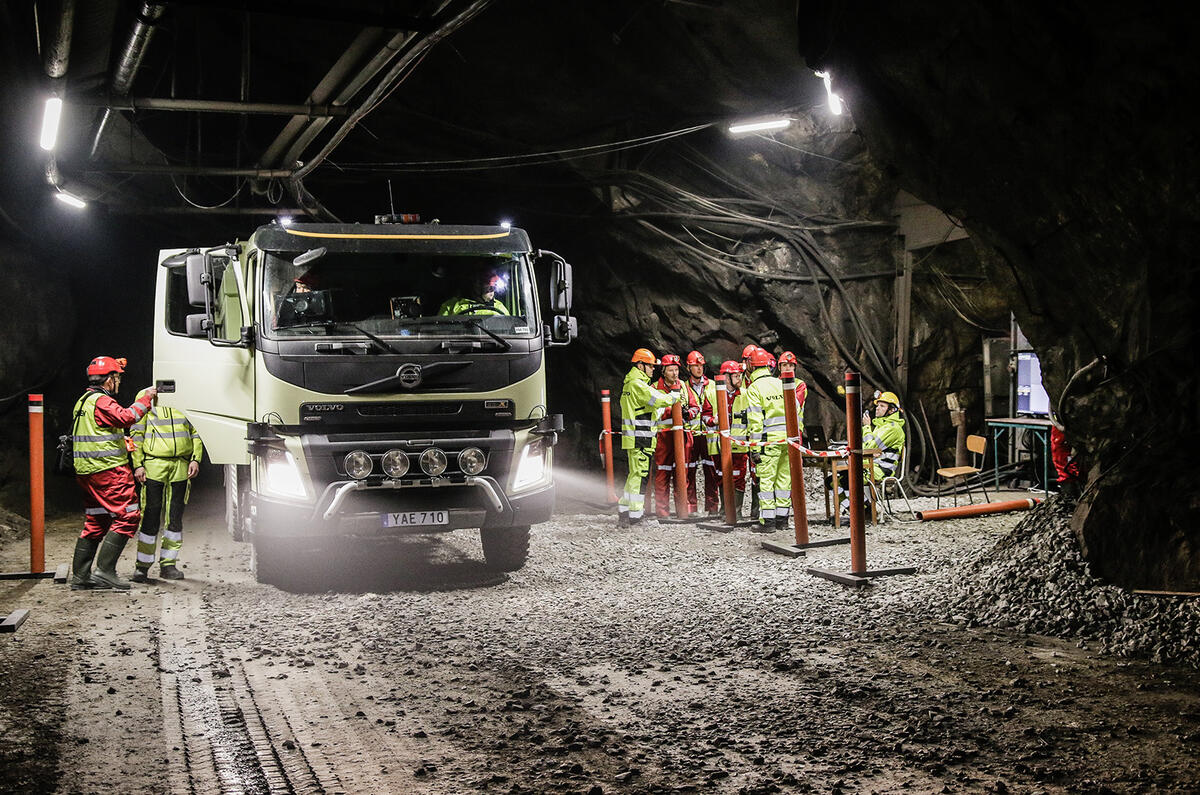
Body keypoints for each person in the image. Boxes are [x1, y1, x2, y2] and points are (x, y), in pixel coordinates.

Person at [68, 357, 157, 591]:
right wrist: (146, 399)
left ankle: (80, 576)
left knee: (97, 520)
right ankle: (105, 571)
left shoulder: (83, 401)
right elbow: (127, 417)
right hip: (108, 471)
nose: (118, 382)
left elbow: (101, 431)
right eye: (117, 377)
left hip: (87, 472)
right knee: (129, 515)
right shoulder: (102, 401)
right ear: (109, 379)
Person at [130, 390, 204, 582]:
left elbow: (196, 431)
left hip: (181, 465)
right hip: (154, 465)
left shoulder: (186, 393)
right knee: (150, 516)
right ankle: (142, 567)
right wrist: (138, 464)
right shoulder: (146, 395)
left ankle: (168, 565)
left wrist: (196, 459)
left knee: (175, 518)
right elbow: (136, 434)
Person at [618, 348, 678, 526]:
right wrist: (673, 396)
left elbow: (645, 407)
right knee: (640, 475)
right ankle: (636, 515)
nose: (653, 369)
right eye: (651, 366)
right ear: (640, 365)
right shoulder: (637, 384)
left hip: (635, 437)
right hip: (641, 437)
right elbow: (657, 399)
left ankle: (624, 508)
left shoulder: (630, 384)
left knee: (634, 474)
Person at [828, 390, 906, 519]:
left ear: (891, 410)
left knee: (847, 478)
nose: (877, 408)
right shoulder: (882, 426)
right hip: (871, 464)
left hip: (881, 469)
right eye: (877, 405)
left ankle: (863, 511)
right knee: (831, 481)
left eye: (882, 406)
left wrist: (867, 427)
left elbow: (870, 447)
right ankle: (862, 509)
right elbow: (868, 447)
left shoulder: (892, 428)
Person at [743, 347, 790, 531]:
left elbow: (755, 421)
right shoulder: (780, 383)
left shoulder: (754, 388)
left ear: (751, 366)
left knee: (767, 482)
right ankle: (782, 520)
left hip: (768, 442)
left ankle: (768, 522)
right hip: (787, 441)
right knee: (784, 481)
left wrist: (754, 448)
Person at [651, 354, 700, 518]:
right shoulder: (654, 388)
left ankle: (683, 510)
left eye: (677, 370)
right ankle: (662, 512)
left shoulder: (684, 387)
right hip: (664, 439)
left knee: (682, 474)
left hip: (682, 437)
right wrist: (672, 411)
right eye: (671, 370)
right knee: (662, 474)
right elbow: (653, 412)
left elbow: (695, 406)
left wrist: (688, 414)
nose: (675, 374)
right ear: (663, 371)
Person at [686, 351, 720, 516]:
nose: (699, 369)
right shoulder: (683, 386)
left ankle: (712, 508)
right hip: (691, 435)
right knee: (689, 472)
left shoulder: (712, 385)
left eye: (701, 366)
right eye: (695, 366)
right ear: (689, 367)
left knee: (711, 472)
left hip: (709, 435)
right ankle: (690, 508)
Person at [718, 360, 750, 518]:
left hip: (739, 447)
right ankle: (724, 510)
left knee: (738, 478)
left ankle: (736, 512)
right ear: (726, 377)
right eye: (736, 376)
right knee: (722, 477)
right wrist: (712, 420)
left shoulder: (745, 395)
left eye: (740, 376)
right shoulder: (715, 393)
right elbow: (706, 415)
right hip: (720, 446)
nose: (739, 379)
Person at [438, 270, 510, 316]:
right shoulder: (451, 306)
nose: (493, 289)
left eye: (494, 286)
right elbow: (440, 332)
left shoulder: (499, 307)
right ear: (477, 286)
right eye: (489, 286)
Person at [777, 351, 808, 437]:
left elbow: (795, 406)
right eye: (784, 365)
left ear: (794, 368)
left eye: (791, 365)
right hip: (776, 430)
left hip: (795, 429)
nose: (788, 368)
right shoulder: (773, 383)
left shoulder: (800, 385)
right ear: (779, 367)